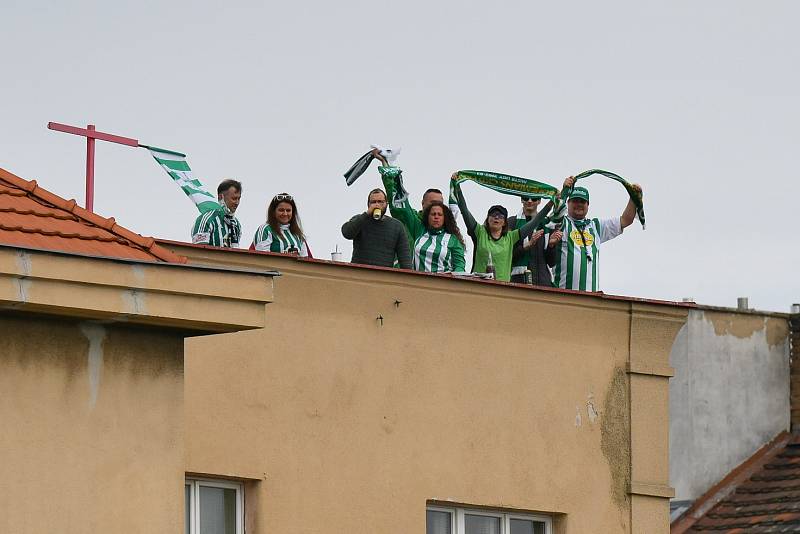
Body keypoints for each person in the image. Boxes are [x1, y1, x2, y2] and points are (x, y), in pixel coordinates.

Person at [546, 176, 643, 292]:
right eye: (575, 200)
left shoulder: (595, 226)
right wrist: (564, 191)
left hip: (590, 299)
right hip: (563, 296)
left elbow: (626, 220)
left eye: (582, 201)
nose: (579, 204)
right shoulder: (561, 222)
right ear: (568, 203)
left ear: (588, 205)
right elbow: (556, 213)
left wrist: (633, 198)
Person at [451, 177, 550, 282]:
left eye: (500, 216)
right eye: (493, 215)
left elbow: (535, 221)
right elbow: (465, 211)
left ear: (504, 222)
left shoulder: (511, 237)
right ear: (487, 219)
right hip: (479, 286)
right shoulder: (479, 232)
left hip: (502, 288)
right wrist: (457, 187)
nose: (496, 217)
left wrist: (552, 203)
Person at [372, 148, 446, 248]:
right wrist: (386, 163)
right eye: (432, 203)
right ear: (423, 204)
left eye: (439, 204)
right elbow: (397, 200)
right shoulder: (412, 221)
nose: (436, 207)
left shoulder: (448, 230)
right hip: (408, 263)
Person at [341, 188, 412, 269]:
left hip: (384, 276)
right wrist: (366, 214)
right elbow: (347, 233)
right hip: (359, 274)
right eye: (373, 202)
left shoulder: (397, 226)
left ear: (386, 204)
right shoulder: (360, 220)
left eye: (380, 202)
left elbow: (405, 259)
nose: (377, 205)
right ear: (368, 204)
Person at [402, 200, 466, 273]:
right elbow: (405, 211)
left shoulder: (453, 240)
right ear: (428, 217)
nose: (436, 217)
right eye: (433, 214)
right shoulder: (420, 231)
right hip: (417, 282)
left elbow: (459, 266)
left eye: (440, 214)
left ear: (445, 218)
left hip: (442, 283)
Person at [508, 196, 556, 285]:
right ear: (521, 199)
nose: (529, 201)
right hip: (518, 282)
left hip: (543, 282)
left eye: (534, 199)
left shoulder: (547, 224)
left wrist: (551, 246)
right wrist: (525, 248)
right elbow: (506, 255)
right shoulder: (512, 222)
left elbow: (551, 262)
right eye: (526, 198)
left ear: (539, 201)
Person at [191, 179, 242, 248]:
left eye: (238, 199)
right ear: (221, 197)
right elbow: (199, 252)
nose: (237, 203)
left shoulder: (236, 224)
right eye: (234, 198)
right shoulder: (206, 219)